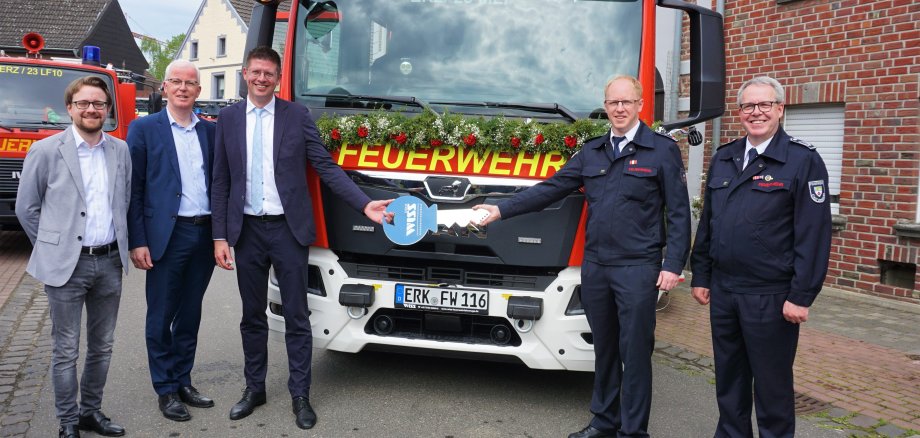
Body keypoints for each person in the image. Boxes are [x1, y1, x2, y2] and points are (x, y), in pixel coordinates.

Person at [475, 75, 690, 438]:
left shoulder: (661, 150)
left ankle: (633, 431)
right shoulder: (591, 152)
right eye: (612, 102)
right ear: (605, 107)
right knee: (604, 350)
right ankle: (604, 423)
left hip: (638, 268)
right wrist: (499, 210)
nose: (619, 109)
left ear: (640, 105)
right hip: (597, 268)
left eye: (626, 102)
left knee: (635, 353)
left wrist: (673, 265)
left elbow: (680, 213)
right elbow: (551, 189)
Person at [210, 46, 393, 430]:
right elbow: (222, 180)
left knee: (296, 315)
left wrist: (366, 205)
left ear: (278, 79)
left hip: (287, 231)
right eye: (256, 72)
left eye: (269, 74)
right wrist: (219, 237)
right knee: (251, 316)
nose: (262, 79)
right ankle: (253, 388)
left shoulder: (297, 116)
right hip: (245, 232)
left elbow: (325, 166)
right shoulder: (227, 119)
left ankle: (300, 394)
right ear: (245, 73)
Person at [689, 76, 832, 438]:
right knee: (730, 383)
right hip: (724, 292)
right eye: (749, 106)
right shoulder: (725, 157)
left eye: (765, 105)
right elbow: (710, 221)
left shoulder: (802, 160)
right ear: (740, 113)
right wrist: (701, 275)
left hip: (770, 296)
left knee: (772, 388)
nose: (757, 112)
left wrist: (802, 295)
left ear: (780, 109)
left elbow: (814, 234)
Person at [16, 76, 131, 438]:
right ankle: (67, 422)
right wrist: (53, 247)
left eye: (98, 104)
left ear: (108, 110)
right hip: (67, 266)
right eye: (84, 103)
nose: (91, 109)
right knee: (65, 348)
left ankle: (90, 412)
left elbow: (124, 202)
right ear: (70, 108)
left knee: (103, 345)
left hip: (109, 263)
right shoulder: (47, 150)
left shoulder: (120, 150)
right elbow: (27, 208)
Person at [126, 60, 216, 422]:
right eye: (176, 82)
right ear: (164, 87)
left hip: (204, 232)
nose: (183, 88)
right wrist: (138, 239)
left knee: (190, 313)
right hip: (166, 235)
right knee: (161, 315)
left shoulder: (210, 132)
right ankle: (164, 389)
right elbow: (134, 189)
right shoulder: (144, 129)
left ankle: (183, 380)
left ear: (198, 91)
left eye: (189, 83)